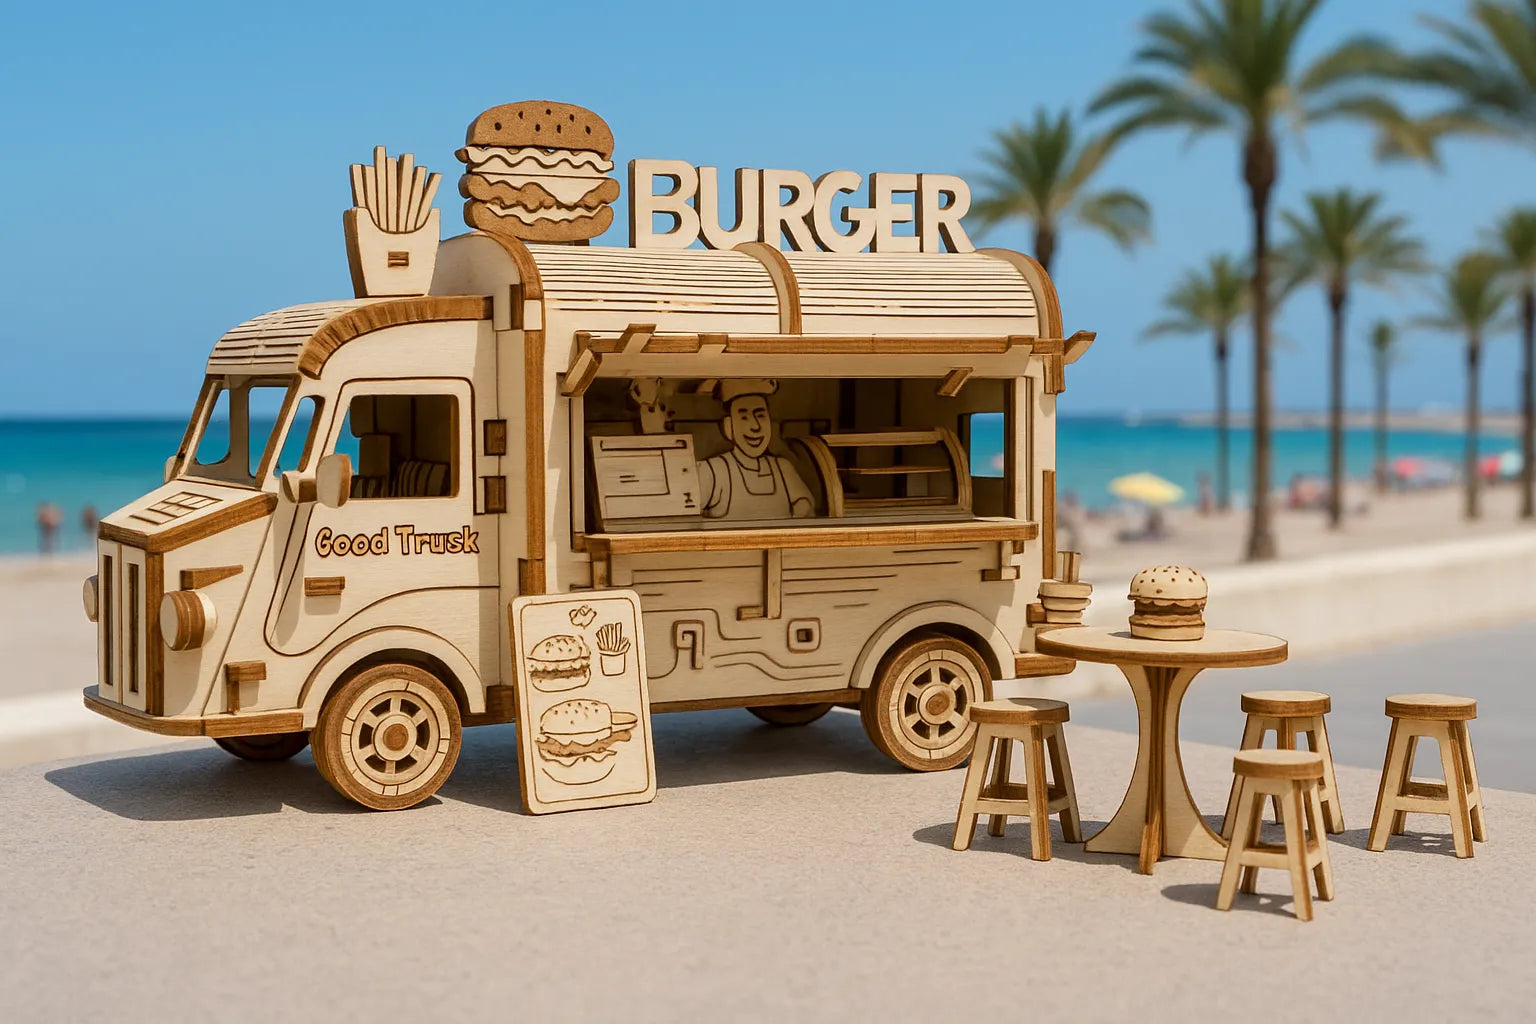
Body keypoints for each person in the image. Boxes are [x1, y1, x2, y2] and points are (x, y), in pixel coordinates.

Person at [696, 379, 814, 521]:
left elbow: (805, 506)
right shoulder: (712, 471)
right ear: (729, 426)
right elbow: (688, 518)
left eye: (760, 416)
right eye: (744, 418)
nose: (755, 426)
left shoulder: (782, 468)